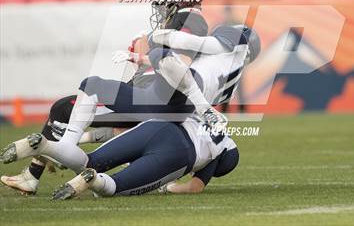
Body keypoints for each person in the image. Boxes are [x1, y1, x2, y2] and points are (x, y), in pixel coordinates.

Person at [1, 24, 261, 191]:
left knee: (80, 96)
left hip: (171, 110)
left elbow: (198, 47)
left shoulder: (230, 44)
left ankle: (56, 153)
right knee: (106, 171)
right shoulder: (230, 80)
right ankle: (57, 158)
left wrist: (161, 36)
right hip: (172, 122)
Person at [52, 116, 239, 199]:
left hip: (157, 126)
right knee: (114, 187)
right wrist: (169, 187)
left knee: (89, 161)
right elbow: (195, 187)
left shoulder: (208, 116)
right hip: (179, 152)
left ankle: (44, 147)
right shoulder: (218, 150)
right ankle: (94, 180)